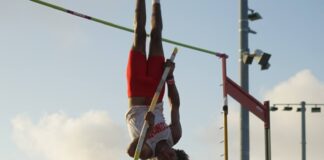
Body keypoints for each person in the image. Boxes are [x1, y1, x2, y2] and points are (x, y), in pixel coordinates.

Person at [125, 0, 189, 159]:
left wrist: (146, 131)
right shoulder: (174, 135)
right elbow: (175, 105)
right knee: (156, 35)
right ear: (176, 152)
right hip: (156, 89)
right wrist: (170, 77)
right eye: (171, 155)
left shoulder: (147, 152)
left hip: (137, 92)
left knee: (139, 35)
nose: (165, 154)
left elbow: (131, 151)